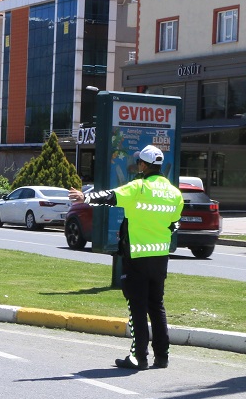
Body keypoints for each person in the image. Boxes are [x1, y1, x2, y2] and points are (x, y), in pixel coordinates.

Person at [69, 144, 184, 370]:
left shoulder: (138, 187)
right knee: (157, 306)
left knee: (137, 307)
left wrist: (85, 196)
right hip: (160, 256)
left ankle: (138, 357)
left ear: (143, 165)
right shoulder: (174, 192)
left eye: (139, 162)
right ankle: (162, 356)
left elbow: (110, 197)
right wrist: (162, 233)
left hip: (137, 255)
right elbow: (175, 223)